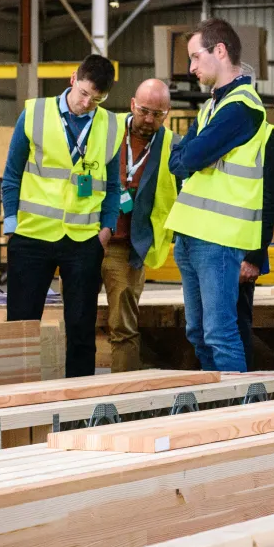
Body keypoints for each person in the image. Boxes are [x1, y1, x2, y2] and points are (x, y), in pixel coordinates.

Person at [1, 54, 124, 377]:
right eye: (83, 93)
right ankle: (15, 398)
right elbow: (12, 174)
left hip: (84, 240)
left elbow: (113, 186)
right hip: (31, 236)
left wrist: (107, 228)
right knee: (21, 326)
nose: (86, 103)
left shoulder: (111, 125)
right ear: (73, 78)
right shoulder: (34, 113)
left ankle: (78, 404)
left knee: (82, 328)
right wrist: (11, 226)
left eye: (96, 99)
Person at [166, 18, 269, 373]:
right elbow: (176, 161)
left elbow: (189, 156)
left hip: (219, 239)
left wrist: (190, 153)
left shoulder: (242, 108)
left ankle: (236, 415)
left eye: (196, 57)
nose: (191, 67)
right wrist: (189, 153)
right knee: (197, 333)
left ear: (220, 51)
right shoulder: (212, 106)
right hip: (190, 235)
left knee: (220, 332)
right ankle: (216, 403)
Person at [103, 78, 175, 372]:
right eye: (144, 110)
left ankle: (123, 401)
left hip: (127, 248)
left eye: (157, 114)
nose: (148, 120)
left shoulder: (172, 145)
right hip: (87, 238)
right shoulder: (105, 128)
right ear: (132, 104)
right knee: (75, 321)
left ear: (167, 113)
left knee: (123, 328)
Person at [236, 125, 274, 371]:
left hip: (242, 250)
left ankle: (240, 398)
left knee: (235, 325)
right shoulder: (214, 123)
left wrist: (254, 257)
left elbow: (268, 203)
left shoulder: (268, 137)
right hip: (212, 246)